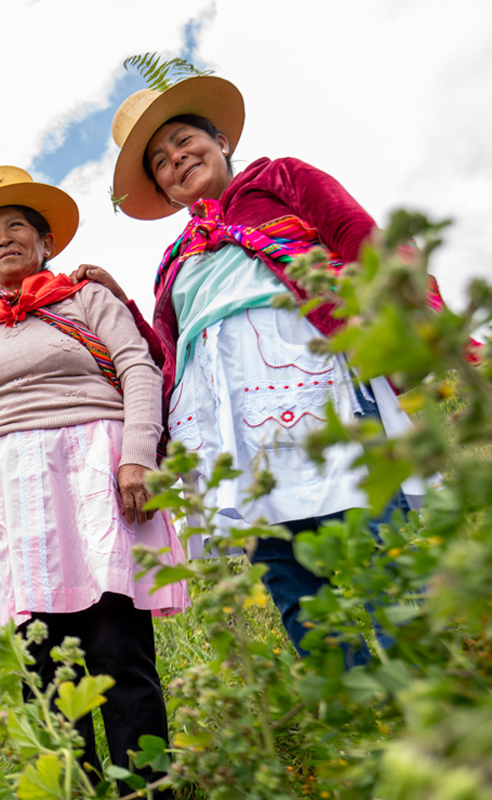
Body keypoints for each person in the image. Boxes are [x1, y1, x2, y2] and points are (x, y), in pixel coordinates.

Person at [107, 76, 427, 664]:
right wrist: (121, 303)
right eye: (160, 161)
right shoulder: (178, 259)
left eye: (183, 141)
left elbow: (356, 235)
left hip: (316, 383)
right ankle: (354, 713)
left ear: (222, 140)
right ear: (163, 189)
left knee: (375, 536)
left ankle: (429, 699)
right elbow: (171, 353)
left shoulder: (280, 179)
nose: (176, 158)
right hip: (234, 425)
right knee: (285, 568)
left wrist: (405, 321)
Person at [0, 166, 189, 773]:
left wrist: (136, 456)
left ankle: (147, 786)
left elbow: (138, 368)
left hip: (92, 481)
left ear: (46, 242)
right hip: (7, 499)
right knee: (44, 669)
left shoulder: (86, 298)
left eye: (17, 226)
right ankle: (75, 787)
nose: (4, 239)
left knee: (117, 651)